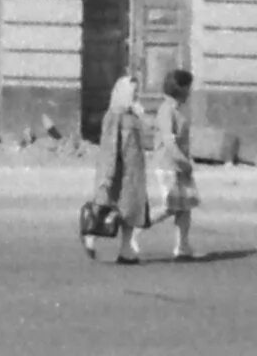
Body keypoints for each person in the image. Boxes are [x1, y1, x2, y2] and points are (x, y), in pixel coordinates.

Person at [85, 73, 147, 264]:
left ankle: (126, 250)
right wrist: (107, 174)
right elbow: (109, 147)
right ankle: (90, 236)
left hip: (133, 172)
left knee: (131, 210)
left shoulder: (134, 114)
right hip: (118, 170)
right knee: (104, 205)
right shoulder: (114, 116)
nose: (135, 96)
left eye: (137, 92)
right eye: (132, 92)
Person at [146, 67, 201, 261]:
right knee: (170, 207)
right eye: (188, 87)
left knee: (184, 208)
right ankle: (136, 226)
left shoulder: (177, 110)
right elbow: (169, 142)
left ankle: (182, 247)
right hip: (168, 165)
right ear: (181, 89)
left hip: (179, 166)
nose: (190, 91)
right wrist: (183, 161)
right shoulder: (166, 110)